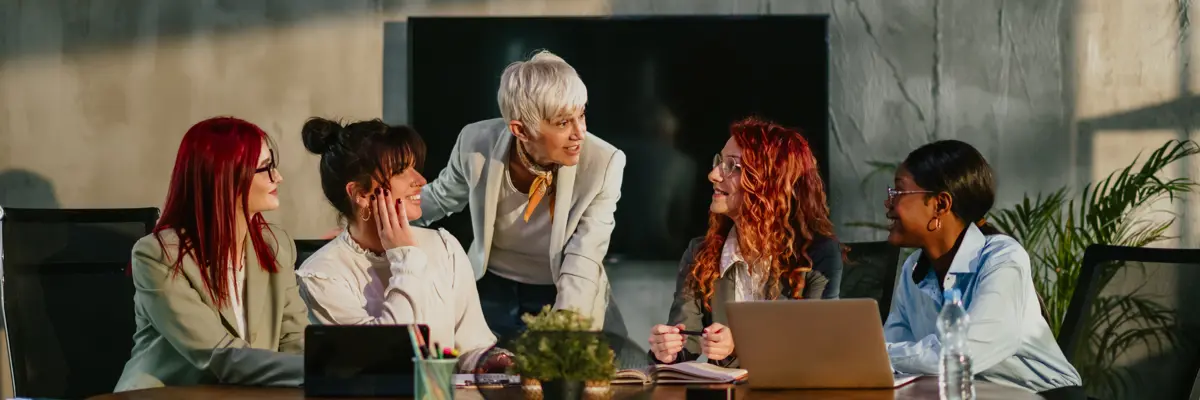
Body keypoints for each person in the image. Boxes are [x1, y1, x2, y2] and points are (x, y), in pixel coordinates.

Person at [415, 50, 626, 341]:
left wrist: (565, 324)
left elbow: (585, 253)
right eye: (563, 123)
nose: (581, 132)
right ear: (521, 130)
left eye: (582, 114)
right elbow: (439, 199)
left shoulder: (604, 162)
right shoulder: (476, 143)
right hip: (491, 288)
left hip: (564, 290)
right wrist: (371, 223)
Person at [295, 118, 508, 373]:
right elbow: (383, 357)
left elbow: (471, 346)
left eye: (415, 168)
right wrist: (405, 258)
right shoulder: (320, 276)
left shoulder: (444, 247)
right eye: (400, 171)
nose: (420, 180)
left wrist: (490, 360)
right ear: (361, 194)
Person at [115, 117, 306, 391]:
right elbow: (220, 356)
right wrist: (322, 371)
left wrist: (334, 371)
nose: (278, 177)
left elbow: (295, 339)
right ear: (226, 177)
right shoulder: (158, 255)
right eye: (265, 168)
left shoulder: (277, 245)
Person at [882, 140, 1083, 396]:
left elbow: (963, 354)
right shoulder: (913, 269)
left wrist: (878, 354)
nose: (888, 204)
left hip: (1042, 395)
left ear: (941, 205)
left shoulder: (1002, 259)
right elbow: (891, 351)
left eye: (897, 193)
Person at [647, 117, 844, 368]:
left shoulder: (816, 257)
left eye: (732, 166)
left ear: (770, 181)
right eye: (720, 162)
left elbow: (817, 344)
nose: (713, 175)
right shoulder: (701, 254)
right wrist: (668, 351)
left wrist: (741, 342)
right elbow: (688, 342)